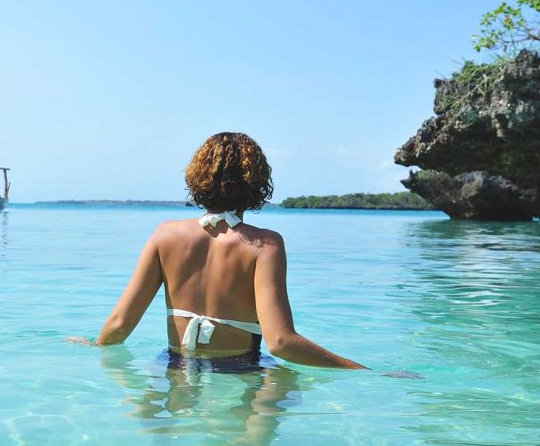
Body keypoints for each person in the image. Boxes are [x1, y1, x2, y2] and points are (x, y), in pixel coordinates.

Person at [91, 132, 366, 370]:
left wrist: (94, 345)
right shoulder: (265, 246)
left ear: (198, 178)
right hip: (242, 373)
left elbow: (118, 325)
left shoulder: (164, 235)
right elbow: (281, 343)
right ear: (257, 184)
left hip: (175, 366)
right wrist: (360, 370)